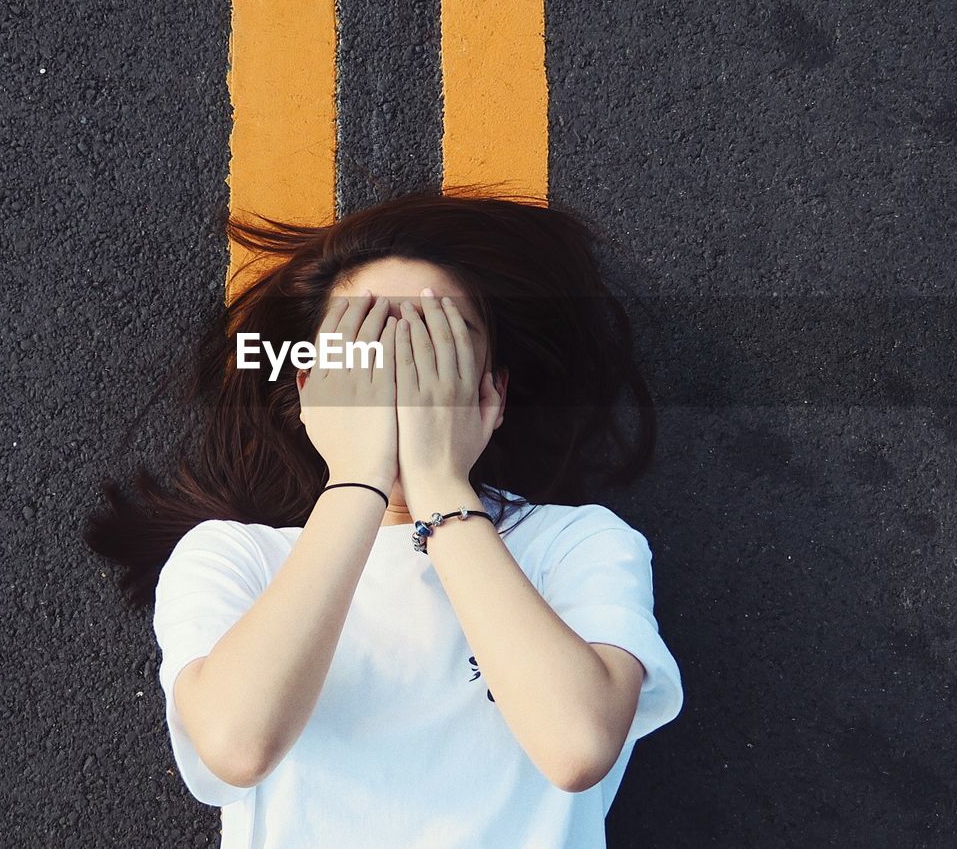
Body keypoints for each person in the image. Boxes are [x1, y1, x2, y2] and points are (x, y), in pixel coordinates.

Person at [84, 189, 683, 848]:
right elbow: (235, 746)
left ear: (493, 393)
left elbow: (576, 746)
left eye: (435, 350)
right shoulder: (234, 558)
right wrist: (356, 481)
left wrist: (438, 483)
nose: (399, 379)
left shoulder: (575, 544)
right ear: (310, 389)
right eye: (365, 352)